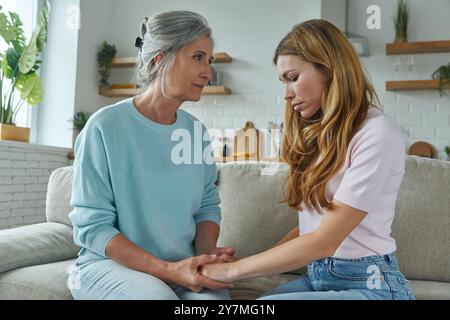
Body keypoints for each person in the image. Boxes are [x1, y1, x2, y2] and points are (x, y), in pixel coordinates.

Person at [200, 19, 415, 300]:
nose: (287, 95)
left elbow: (324, 241)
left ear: (328, 68)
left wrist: (232, 272)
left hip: (370, 284)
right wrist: (246, 264)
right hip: (318, 278)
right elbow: (311, 228)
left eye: (293, 77)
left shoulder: (378, 133)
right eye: (283, 82)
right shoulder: (319, 134)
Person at [67, 10, 235, 300]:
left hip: (177, 265)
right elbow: (93, 227)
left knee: (215, 299)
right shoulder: (104, 127)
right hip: (107, 267)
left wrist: (205, 259)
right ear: (160, 60)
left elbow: (208, 205)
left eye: (210, 60)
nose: (207, 72)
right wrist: (169, 270)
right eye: (197, 57)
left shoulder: (195, 133)